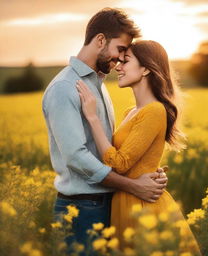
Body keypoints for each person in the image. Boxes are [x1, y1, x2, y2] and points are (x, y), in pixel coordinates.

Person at [42, 8, 167, 255]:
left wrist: (148, 171)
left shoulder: (98, 85)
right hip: (81, 210)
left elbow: (112, 149)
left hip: (107, 204)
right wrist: (133, 185)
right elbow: (77, 158)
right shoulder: (65, 88)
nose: (120, 59)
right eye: (120, 49)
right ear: (100, 40)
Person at [76, 40, 202, 254]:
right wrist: (153, 171)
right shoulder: (131, 112)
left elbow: (120, 163)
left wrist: (92, 118)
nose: (118, 67)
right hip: (126, 200)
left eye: (126, 61)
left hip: (142, 207)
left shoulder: (154, 111)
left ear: (145, 69)